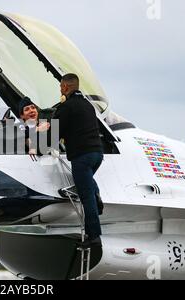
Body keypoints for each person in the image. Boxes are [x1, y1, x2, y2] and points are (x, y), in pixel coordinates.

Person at [53, 73, 104, 248]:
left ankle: (94, 237)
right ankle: (96, 195)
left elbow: (54, 135)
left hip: (82, 157)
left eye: (61, 86)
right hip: (97, 154)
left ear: (66, 87)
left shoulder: (67, 107)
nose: (60, 89)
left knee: (86, 196)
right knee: (88, 183)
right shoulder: (88, 105)